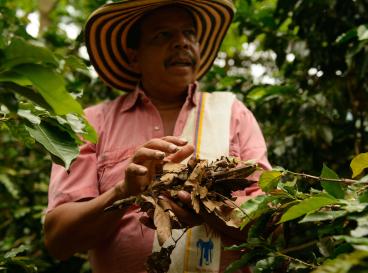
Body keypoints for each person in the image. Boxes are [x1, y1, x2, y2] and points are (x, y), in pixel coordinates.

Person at [44, 0, 271, 272]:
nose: (181, 43)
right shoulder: (90, 124)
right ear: (134, 56)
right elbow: (58, 240)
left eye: (189, 34)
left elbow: (272, 224)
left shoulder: (233, 114)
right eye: (163, 35)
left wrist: (207, 206)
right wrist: (122, 192)